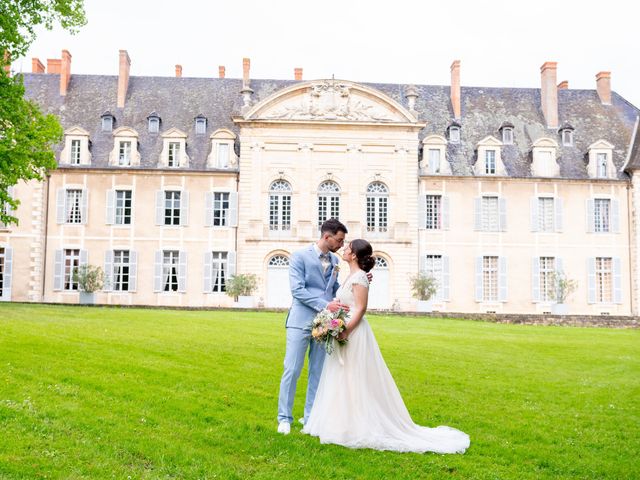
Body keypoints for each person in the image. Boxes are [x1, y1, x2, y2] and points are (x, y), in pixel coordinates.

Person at [302, 239, 470, 454]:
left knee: (355, 376)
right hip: (343, 328)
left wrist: (345, 330)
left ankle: (358, 424)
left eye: (348, 247)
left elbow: (361, 309)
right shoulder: (352, 276)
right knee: (343, 376)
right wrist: (332, 322)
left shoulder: (360, 277)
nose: (344, 249)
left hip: (354, 332)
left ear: (353, 255)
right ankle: (341, 422)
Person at [276, 219, 349, 435]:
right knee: (292, 369)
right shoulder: (299, 256)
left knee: (317, 372)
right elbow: (297, 291)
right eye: (339, 240)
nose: (341, 245)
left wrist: (359, 280)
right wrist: (325, 304)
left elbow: (335, 290)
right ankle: (284, 418)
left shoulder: (336, 261)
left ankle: (310, 418)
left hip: (325, 324)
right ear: (327, 237)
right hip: (300, 322)